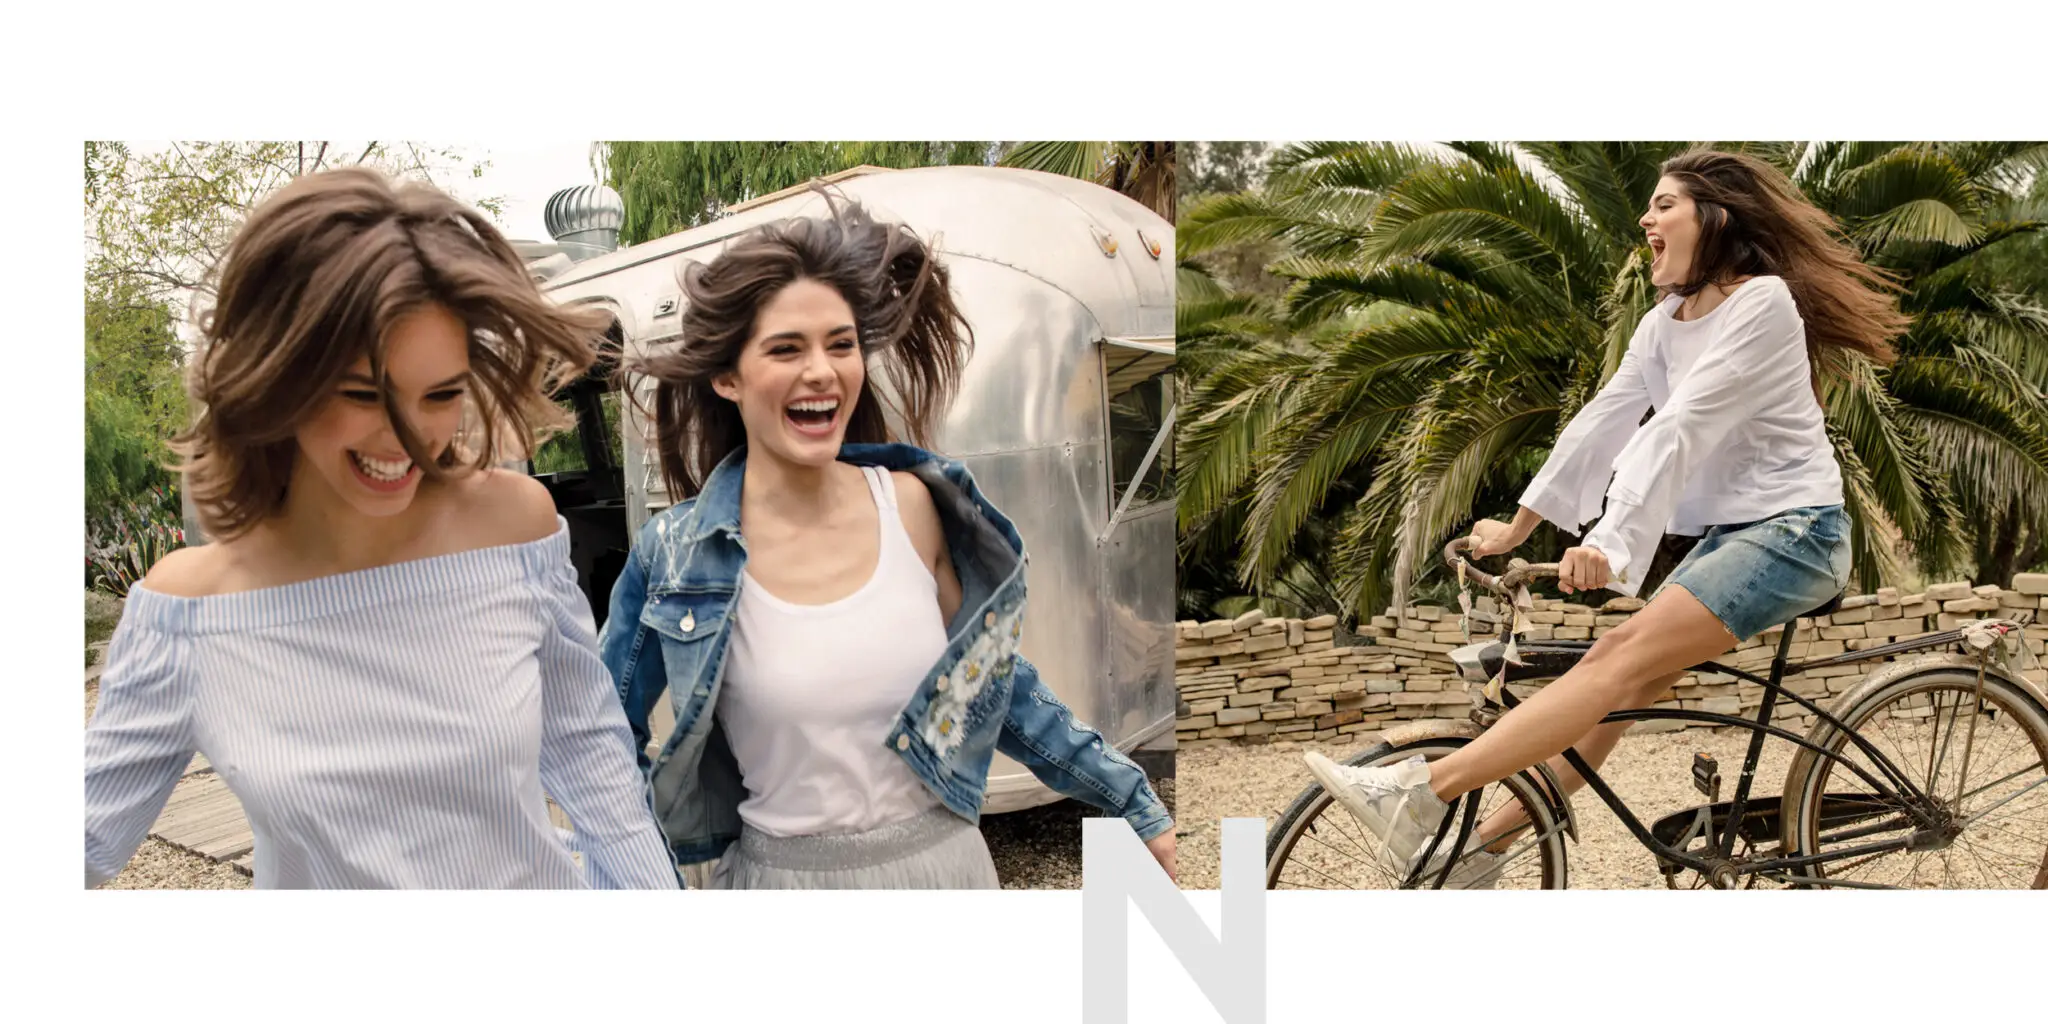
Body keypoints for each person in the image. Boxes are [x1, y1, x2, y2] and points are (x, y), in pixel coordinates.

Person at [1304, 149, 1910, 886]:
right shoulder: (1663, 324)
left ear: (1714, 217)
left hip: (1797, 532)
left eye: (1663, 205)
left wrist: (1611, 542)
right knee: (1617, 693)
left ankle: (1421, 794)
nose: (1646, 219)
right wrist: (1522, 527)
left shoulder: (1763, 303)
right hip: (1733, 538)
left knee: (1610, 659)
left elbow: (1685, 422)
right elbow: (1604, 420)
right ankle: (1483, 852)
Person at [83, 168, 678, 889]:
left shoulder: (514, 529)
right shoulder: (187, 614)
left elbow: (594, 763)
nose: (409, 437)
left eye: (443, 394)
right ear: (275, 379)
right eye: (363, 394)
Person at [599, 193, 1177, 889]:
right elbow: (601, 740)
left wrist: (1131, 801)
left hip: (947, 873)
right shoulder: (676, 556)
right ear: (727, 377)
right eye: (787, 349)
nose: (822, 371)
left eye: (840, 345)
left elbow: (994, 685)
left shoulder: (915, 506)